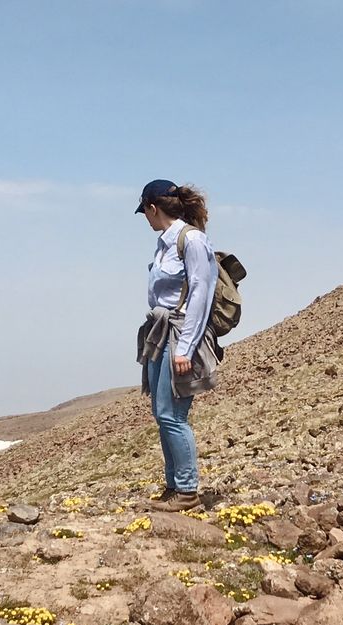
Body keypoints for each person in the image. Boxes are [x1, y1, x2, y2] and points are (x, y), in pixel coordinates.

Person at [136, 179, 221, 512]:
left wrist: (185, 348)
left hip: (181, 334)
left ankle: (187, 492)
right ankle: (173, 488)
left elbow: (201, 296)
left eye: (144, 211)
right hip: (161, 332)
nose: (145, 217)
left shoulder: (193, 241)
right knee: (162, 413)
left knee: (173, 415)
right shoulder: (164, 243)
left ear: (153, 208)